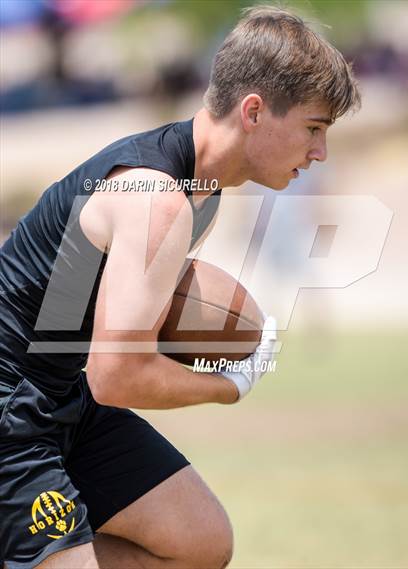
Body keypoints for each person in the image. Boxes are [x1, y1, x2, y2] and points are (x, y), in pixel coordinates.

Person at [0, 5, 360, 569]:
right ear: (254, 112)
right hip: (11, 412)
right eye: (314, 128)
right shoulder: (156, 198)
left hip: (64, 396)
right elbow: (117, 374)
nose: (320, 152)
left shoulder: (200, 192)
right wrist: (231, 384)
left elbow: (108, 323)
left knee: (199, 542)